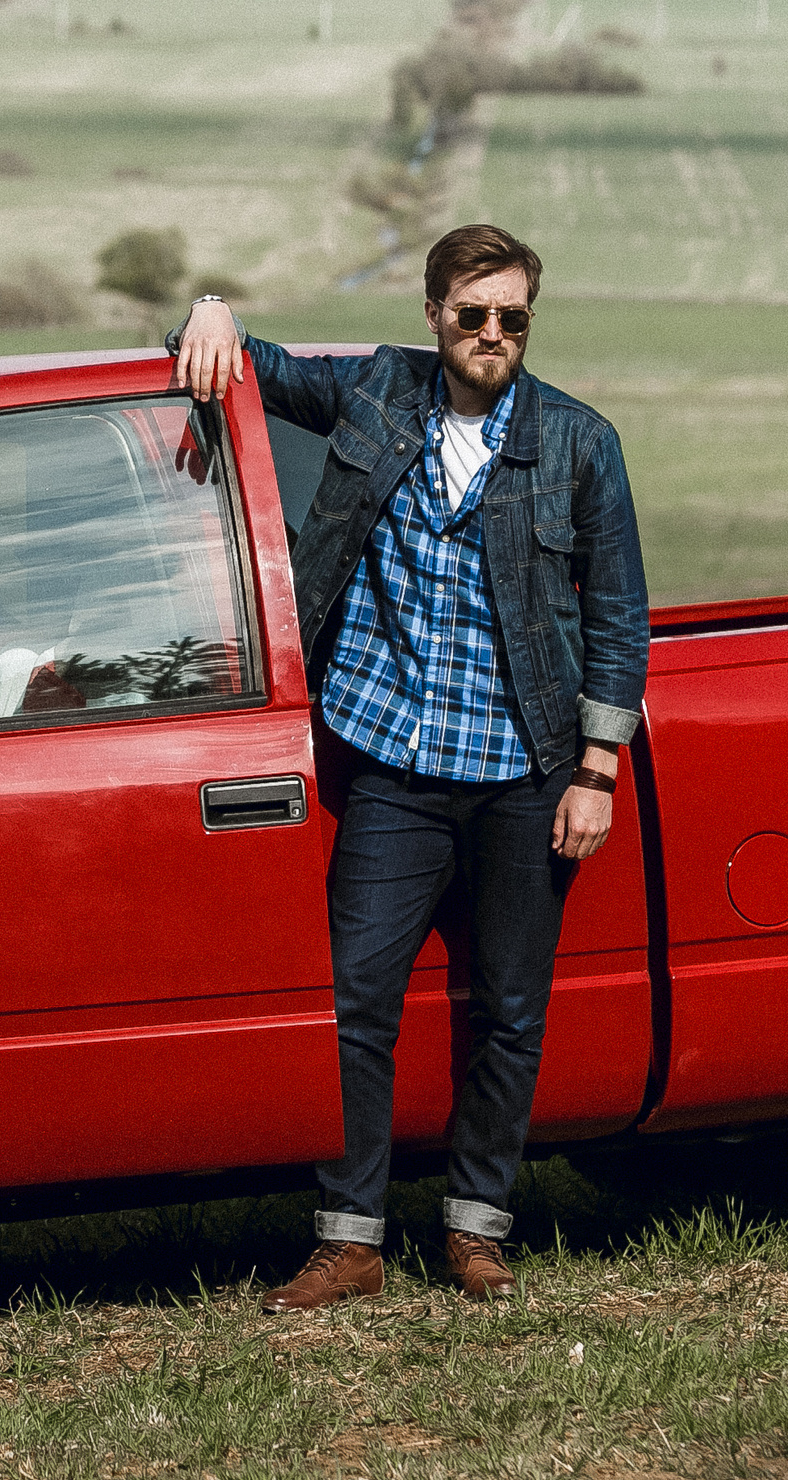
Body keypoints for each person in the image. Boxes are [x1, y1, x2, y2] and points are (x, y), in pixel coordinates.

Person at [166, 224, 649, 1309]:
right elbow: (245, 361)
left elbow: (619, 615)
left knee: (511, 1008)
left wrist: (596, 768)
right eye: (472, 314)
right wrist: (209, 309)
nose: (492, 335)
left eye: (511, 318)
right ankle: (350, 1242)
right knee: (356, 1003)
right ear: (432, 314)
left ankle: (476, 1230)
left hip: (525, 770)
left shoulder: (579, 443)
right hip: (392, 764)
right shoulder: (378, 393)